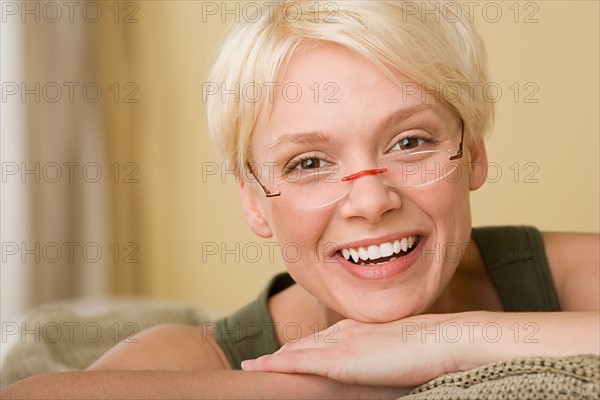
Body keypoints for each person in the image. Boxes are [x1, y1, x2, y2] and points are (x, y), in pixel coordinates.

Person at [3, 1, 598, 398]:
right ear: (257, 202)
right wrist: (331, 382)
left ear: (472, 157)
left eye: (410, 141)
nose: (369, 198)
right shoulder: (197, 355)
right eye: (308, 162)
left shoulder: (557, 271)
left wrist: (443, 343)